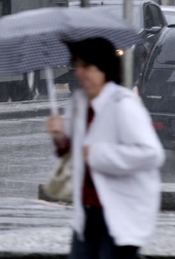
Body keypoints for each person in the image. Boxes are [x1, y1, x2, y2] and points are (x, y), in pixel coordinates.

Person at [46, 37, 165, 259]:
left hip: (120, 210)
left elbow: (151, 154)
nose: (80, 72)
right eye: (78, 66)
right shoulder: (79, 103)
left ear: (104, 68)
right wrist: (59, 136)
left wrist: (97, 154)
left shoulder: (123, 104)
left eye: (87, 66)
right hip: (88, 210)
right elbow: (70, 153)